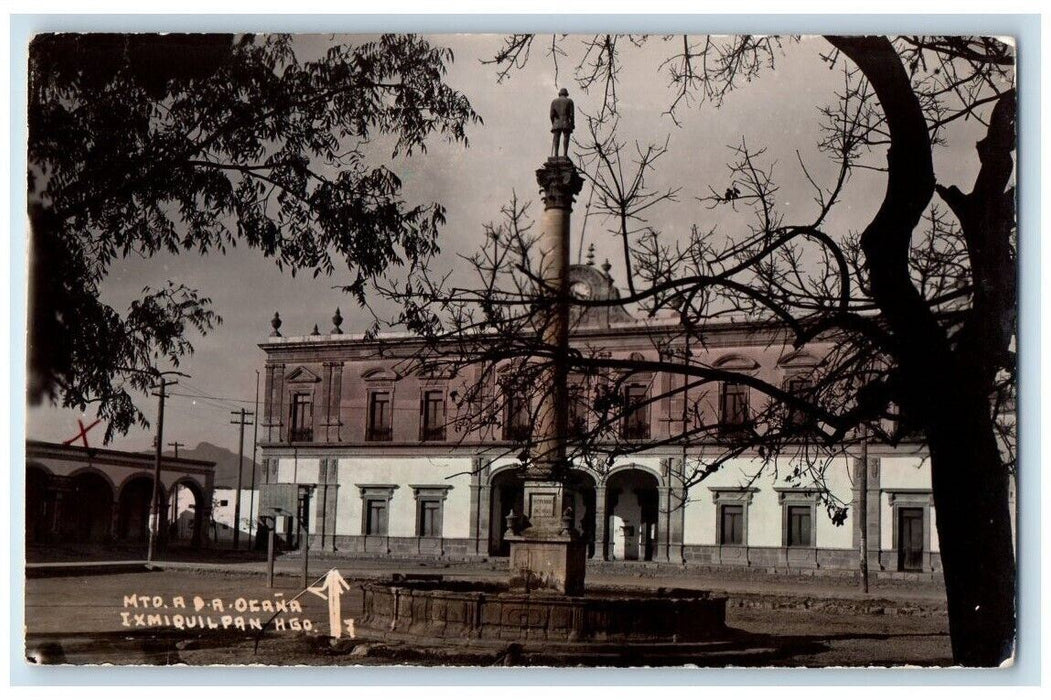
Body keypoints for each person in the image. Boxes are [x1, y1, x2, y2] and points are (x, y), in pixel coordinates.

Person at [550, 88, 575, 158]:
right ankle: (565, 154)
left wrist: (553, 123)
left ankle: (556, 154)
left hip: (557, 123)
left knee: (556, 138)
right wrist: (572, 124)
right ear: (566, 94)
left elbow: (551, 115)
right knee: (566, 138)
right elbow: (572, 115)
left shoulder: (554, 101)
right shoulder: (570, 101)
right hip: (566, 122)